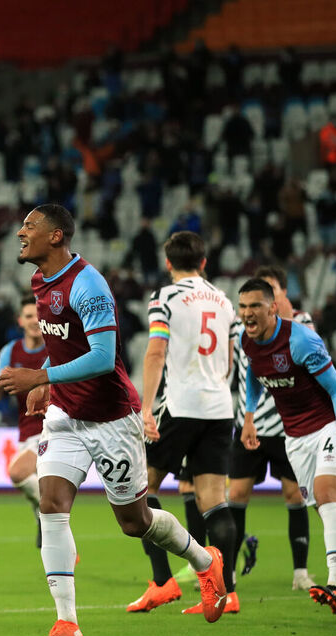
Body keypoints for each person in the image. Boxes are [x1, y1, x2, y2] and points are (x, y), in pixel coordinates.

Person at [0, 205, 227, 636]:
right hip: (66, 416)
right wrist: (47, 376)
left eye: (30, 227)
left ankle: (205, 560)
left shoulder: (88, 284)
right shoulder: (40, 281)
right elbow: (67, 346)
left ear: (57, 235)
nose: (21, 233)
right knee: (51, 503)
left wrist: (41, 378)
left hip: (111, 418)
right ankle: (68, 623)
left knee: (133, 522)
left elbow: (103, 357)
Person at [238, 278, 336, 619]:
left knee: (327, 496)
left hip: (331, 424)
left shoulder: (301, 340)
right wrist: (249, 416)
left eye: (255, 307)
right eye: (243, 307)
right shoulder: (246, 340)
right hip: (296, 439)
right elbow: (253, 375)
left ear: (272, 307)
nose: (247, 314)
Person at [130, 232, 238, 614]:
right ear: (204, 262)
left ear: (167, 262)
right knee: (214, 500)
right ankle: (228, 592)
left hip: (181, 404)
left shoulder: (166, 298)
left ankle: (163, 582)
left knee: (139, 489)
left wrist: (146, 408)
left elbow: (156, 350)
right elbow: (228, 358)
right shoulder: (224, 301)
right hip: (219, 407)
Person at [229, 267, 317, 591]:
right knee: (236, 494)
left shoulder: (302, 325)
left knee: (294, 494)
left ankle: (300, 572)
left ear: (280, 296)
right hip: (249, 425)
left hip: (288, 428)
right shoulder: (240, 328)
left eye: (271, 291)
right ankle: (229, 573)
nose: (255, 307)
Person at [0, 293, 47, 547]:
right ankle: (48, 524)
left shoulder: (55, 348)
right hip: (25, 430)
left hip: (53, 428)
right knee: (35, 484)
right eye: (29, 316)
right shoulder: (11, 351)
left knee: (18, 472)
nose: (35, 320)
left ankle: (51, 513)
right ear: (20, 321)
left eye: (39, 315)